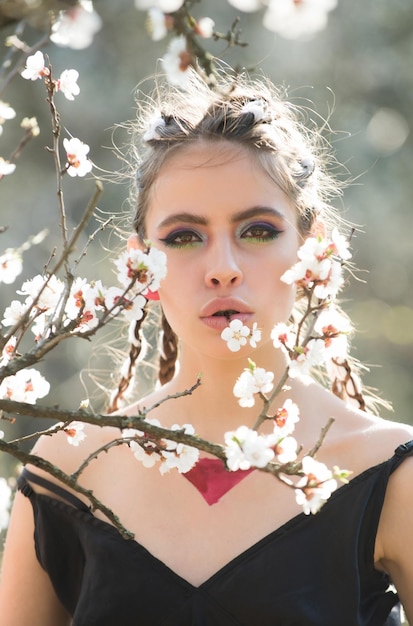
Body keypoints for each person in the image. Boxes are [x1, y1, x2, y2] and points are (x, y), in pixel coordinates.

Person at [1, 69, 413, 626]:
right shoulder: (64, 475)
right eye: (184, 237)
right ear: (138, 266)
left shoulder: (390, 475)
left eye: (259, 230)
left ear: (312, 250)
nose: (223, 269)